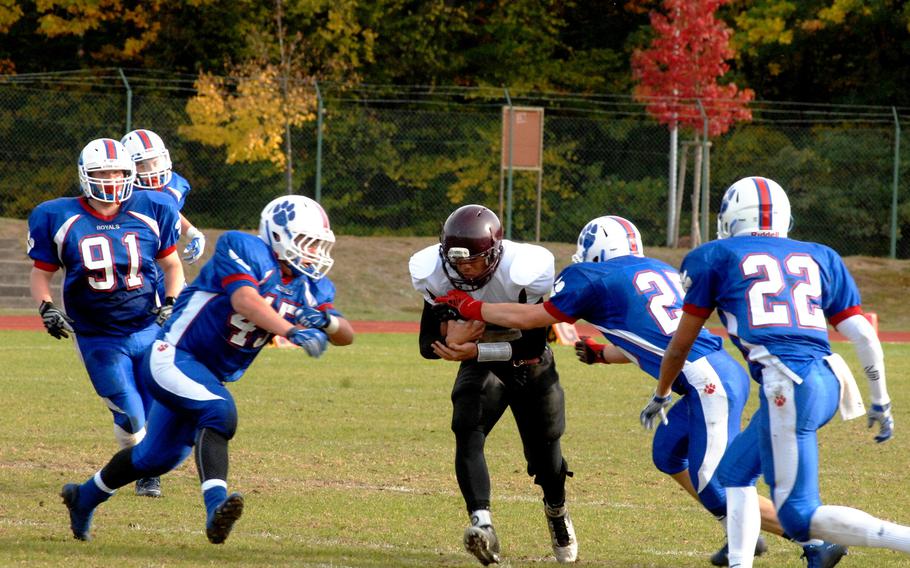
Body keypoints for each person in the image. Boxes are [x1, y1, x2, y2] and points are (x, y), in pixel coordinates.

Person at [435, 215, 844, 567]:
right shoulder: (658, 270)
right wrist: (601, 355)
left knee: (715, 481)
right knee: (668, 453)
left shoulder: (591, 276)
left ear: (594, 249)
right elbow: (648, 339)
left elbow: (533, 316)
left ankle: (813, 539)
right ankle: (740, 528)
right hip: (710, 374)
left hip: (706, 382)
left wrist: (473, 307)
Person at [60, 194, 354, 544]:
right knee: (220, 412)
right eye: (307, 243)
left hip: (204, 374)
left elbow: (346, 335)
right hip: (173, 355)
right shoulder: (244, 247)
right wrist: (290, 329)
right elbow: (245, 299)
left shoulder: (311, 286)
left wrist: (324, 321)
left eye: (318, 245)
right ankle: (216, 507)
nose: (313, 252)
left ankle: (83, 497)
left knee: (154, 458)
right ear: (278, 235)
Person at [652, 176, 910, 568]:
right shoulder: (820, 255)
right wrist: (881, 399)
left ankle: (905, 540)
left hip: (787, 384)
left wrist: (661, 393)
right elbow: (863, 335)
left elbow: (680, 344)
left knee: (798, 515)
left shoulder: (715, 256)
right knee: (733, 474)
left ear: (733, 218)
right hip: (827, 378)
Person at [409, 204, 577, 565]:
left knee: (547, 459)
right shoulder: (435, 273)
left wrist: (474, 346)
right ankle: (482, 524)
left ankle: (556, 510)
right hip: (482, 361)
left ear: (496, 252)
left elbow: (532, 345)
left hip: (529, 364)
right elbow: (426, 343)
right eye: (459, 262)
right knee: (466, 423)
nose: (466, 269)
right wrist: (451, 345)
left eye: (475, 260)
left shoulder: (524, 271)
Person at [28, 138, 185, 499]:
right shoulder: (58, 215)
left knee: (157, 400)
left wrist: (172, 300)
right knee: (131, 418)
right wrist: (46, 307)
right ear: (85, 176)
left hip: (147, 325)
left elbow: (172, 264)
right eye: (103, 172)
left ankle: (149, 473)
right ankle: (140, 458)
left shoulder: (154, 206)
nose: (112, 179)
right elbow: (42, 273)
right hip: (98, 335)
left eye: (118, 171)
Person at [121, 129, 206, 268]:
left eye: (156, 162)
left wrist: (194, 233)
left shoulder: (173, 185)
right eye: (142, 166)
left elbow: (168, 211)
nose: (152, 170)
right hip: (126, 261)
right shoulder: (121, 192)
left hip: (161, 260)